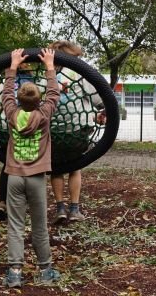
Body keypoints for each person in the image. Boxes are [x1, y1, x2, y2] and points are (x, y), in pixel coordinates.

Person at [1, 48, 60, 288]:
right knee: (39, 225)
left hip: (14, 177)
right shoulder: (44, 115)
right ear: (39, 101)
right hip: (36, 178)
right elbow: (54, 94)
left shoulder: (12, 114)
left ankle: (15, 272)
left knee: (15, 226)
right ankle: (45, 270)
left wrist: (13, 66)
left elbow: (6, 93)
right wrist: (49, 66)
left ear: (19, 100)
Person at [48, 40, 106, 224]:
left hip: (54, 132)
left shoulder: (47, 75)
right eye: (77, 57)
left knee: (56, 170)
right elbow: (97, 98)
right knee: (74, 168)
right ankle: (74, 208)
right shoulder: (78, 74)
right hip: (77, 131)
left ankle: (60, 209)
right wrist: (102, 109)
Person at [0, 63, 34, 221]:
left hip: (7, 129)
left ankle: (2, 202)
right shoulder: (34, 83)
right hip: (31, 128)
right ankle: (27, 203)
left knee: (8, 164)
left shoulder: (3, 85)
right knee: (31, 165)